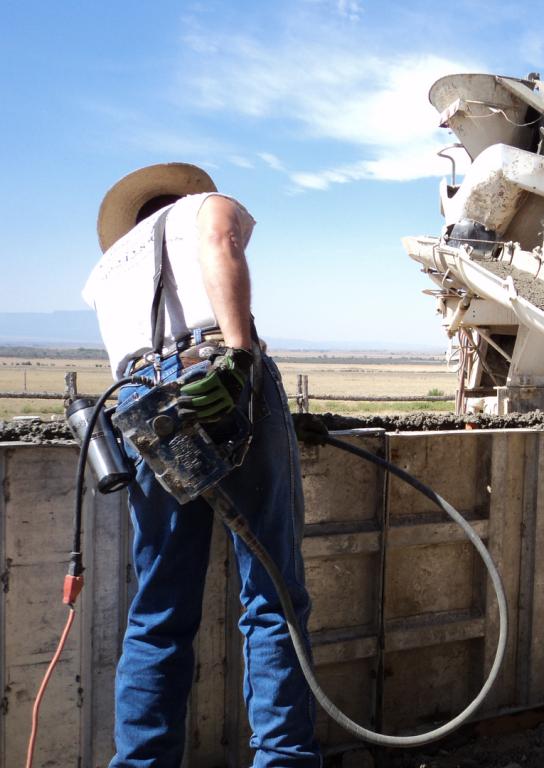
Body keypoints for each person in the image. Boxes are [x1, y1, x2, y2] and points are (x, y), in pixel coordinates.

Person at [82, 163, 321, 766]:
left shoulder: (104, 272)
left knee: (159, 608)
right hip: (215, 378)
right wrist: (241, 360)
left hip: (141, 406)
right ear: (182, 196)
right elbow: (222, 239)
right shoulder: (203, 207)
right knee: (273, 596)